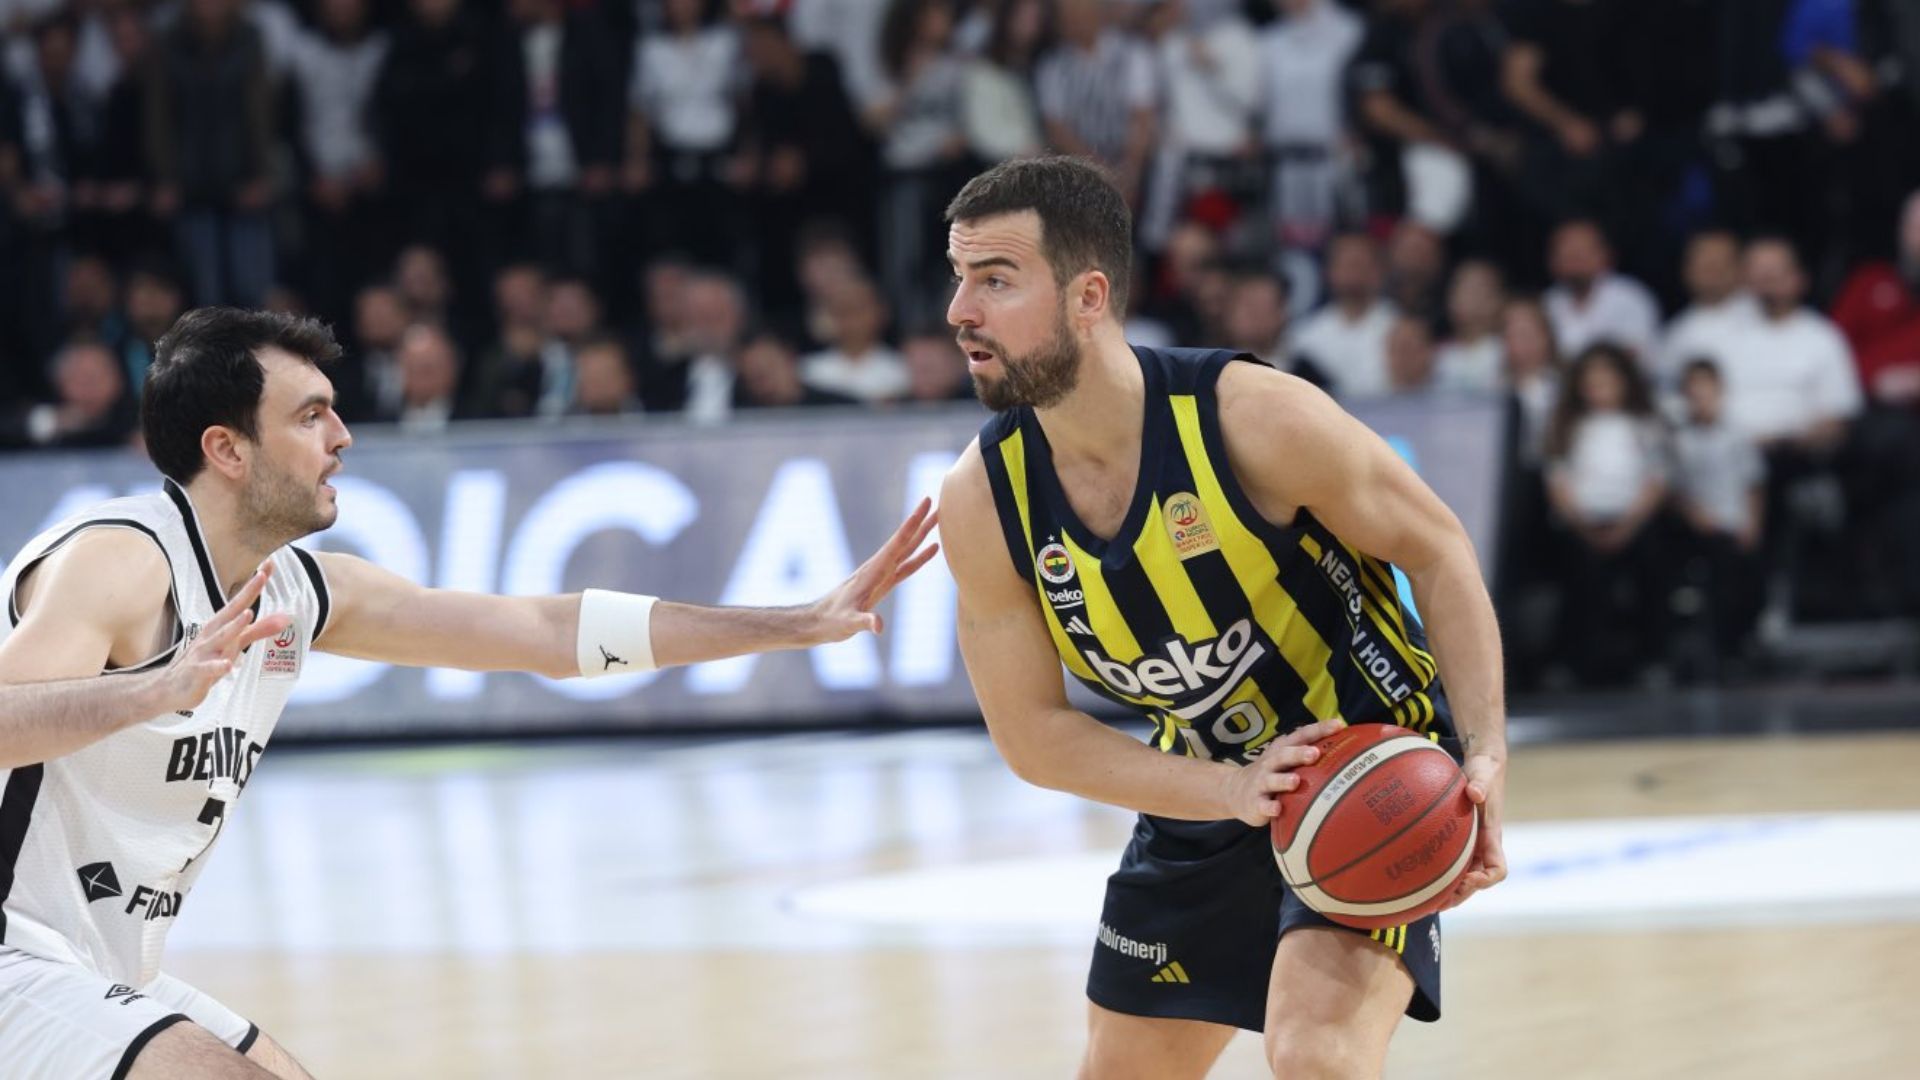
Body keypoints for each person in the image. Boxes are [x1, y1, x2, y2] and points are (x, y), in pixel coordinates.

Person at [0, 308, 938, 1079]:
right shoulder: (121, 561)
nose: (342, 438)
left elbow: (544, 632)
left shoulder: (306, 590)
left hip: (97, 964)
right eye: (311, 416)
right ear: (228, 449)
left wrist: (792, 623)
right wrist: (152, 689)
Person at [935, 157, 1507, 1080]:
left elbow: (1438, 551)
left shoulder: (1252, 419)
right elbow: (1032, 736)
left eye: (995, 280)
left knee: (1316, 1055)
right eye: (959, 277)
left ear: (1089, 297)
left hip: (1367, 763)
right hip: (1205, 786)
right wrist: (1230, 793)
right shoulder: (982, 500)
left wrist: (1484, 751)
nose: (961, 309)